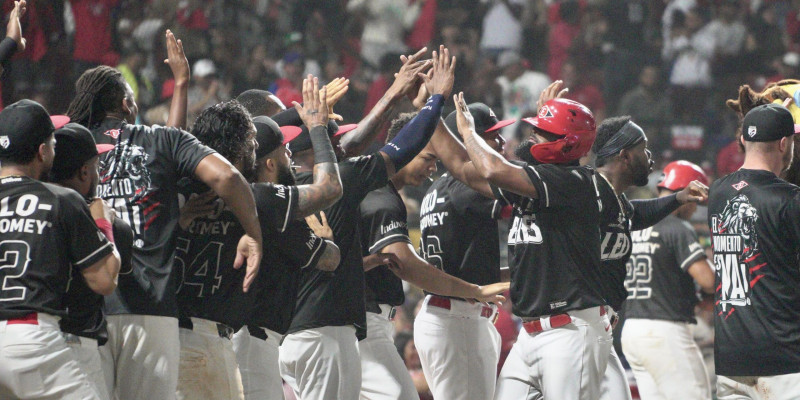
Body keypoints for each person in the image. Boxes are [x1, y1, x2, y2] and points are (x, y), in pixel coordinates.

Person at [66, 62, 264, 399]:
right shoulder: (160, 140)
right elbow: (229, 178)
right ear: (127, 105)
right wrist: (254, 235)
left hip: (86, 309)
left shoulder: (71, 148)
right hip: (149, 309)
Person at [277, 48, 441, 400]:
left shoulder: (271, 188)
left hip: (291, 332)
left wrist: (302, 117)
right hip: (324, 334)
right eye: (335, 141)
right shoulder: (342, 182)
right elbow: (403, 146)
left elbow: (267, 134)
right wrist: (436, 99)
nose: (345, 148)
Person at [451, 90, 612, 399]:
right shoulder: (540, 179)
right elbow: (462, 169)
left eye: (544, 131)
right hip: (532, 333)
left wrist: (468, 132)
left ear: (568, 143)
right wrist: (429, 112)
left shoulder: (575, 179)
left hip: (571, 330)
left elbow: (492, 169)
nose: (534, 135)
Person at [231, 77, 345, 400]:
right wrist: (316, 126)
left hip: (247, 340)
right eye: (285, 150)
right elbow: (329, 256)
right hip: (252, 343)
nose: (291, 156)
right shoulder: (266, 205)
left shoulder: (237, 191)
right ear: (267, 162)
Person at [0, 99, 120, 399]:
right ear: (42, 152)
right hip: (30, 336)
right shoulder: (60, 199)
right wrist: (105, 225)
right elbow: (104, 280)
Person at [590, 115, 708, 400]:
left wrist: (677, 198)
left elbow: (637, 212)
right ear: (625, 156)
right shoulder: (589, 190)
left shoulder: (620, 207)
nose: (649, 156)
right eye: (643, 148)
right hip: (656, 328)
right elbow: (709, 280)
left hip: (623, 327)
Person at [413, 99, 515, 399]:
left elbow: (463, 259)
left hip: (445, 313)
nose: (501, 141)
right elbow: (520, 198)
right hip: (459, 319)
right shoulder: (467, 186)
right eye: (492, 134)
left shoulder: (436, 188)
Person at [708, 103, 800, 399]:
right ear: (785, 144)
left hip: (731, 357)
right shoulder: (788, 199)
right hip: (783, 359)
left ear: (744, 141)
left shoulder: (718, 192)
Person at [50, 122, 135, 400]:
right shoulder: (112, 226)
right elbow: (110, 278)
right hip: (76, 352)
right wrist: (105, 223)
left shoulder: (21, 205)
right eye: (96, 167)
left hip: (23, 339)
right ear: (84, 171)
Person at [622, 160, 715, 400]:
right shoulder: (676, 227)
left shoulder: (632, 225)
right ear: (686, 191)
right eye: (694, 201)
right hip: (664, 332)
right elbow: (708, 281)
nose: (694, 209)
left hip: (631, 329)